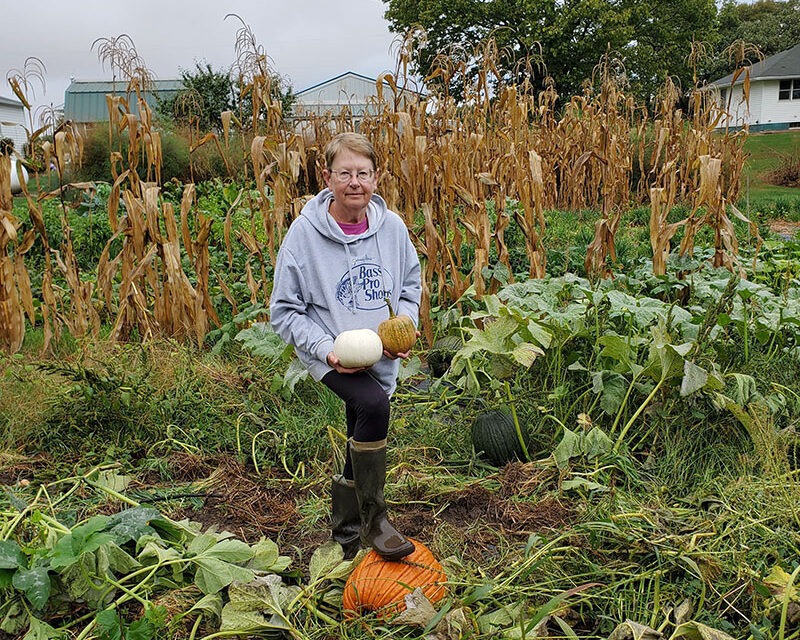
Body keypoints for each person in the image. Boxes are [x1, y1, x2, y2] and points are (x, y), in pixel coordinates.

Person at [270, 132, 421, 561]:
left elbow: (410, 284)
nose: (355, 182)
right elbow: (284, 310)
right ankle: (376, 520)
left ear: (376, 178)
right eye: (345, 173)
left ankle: (345, 534)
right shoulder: (304, 235)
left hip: (382, 353)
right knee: (373, 407)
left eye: (364, 173)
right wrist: (325, 349)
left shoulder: (391, 228)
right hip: (330, 353)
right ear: (327, 177)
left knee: (362, 423)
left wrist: (403, 325)